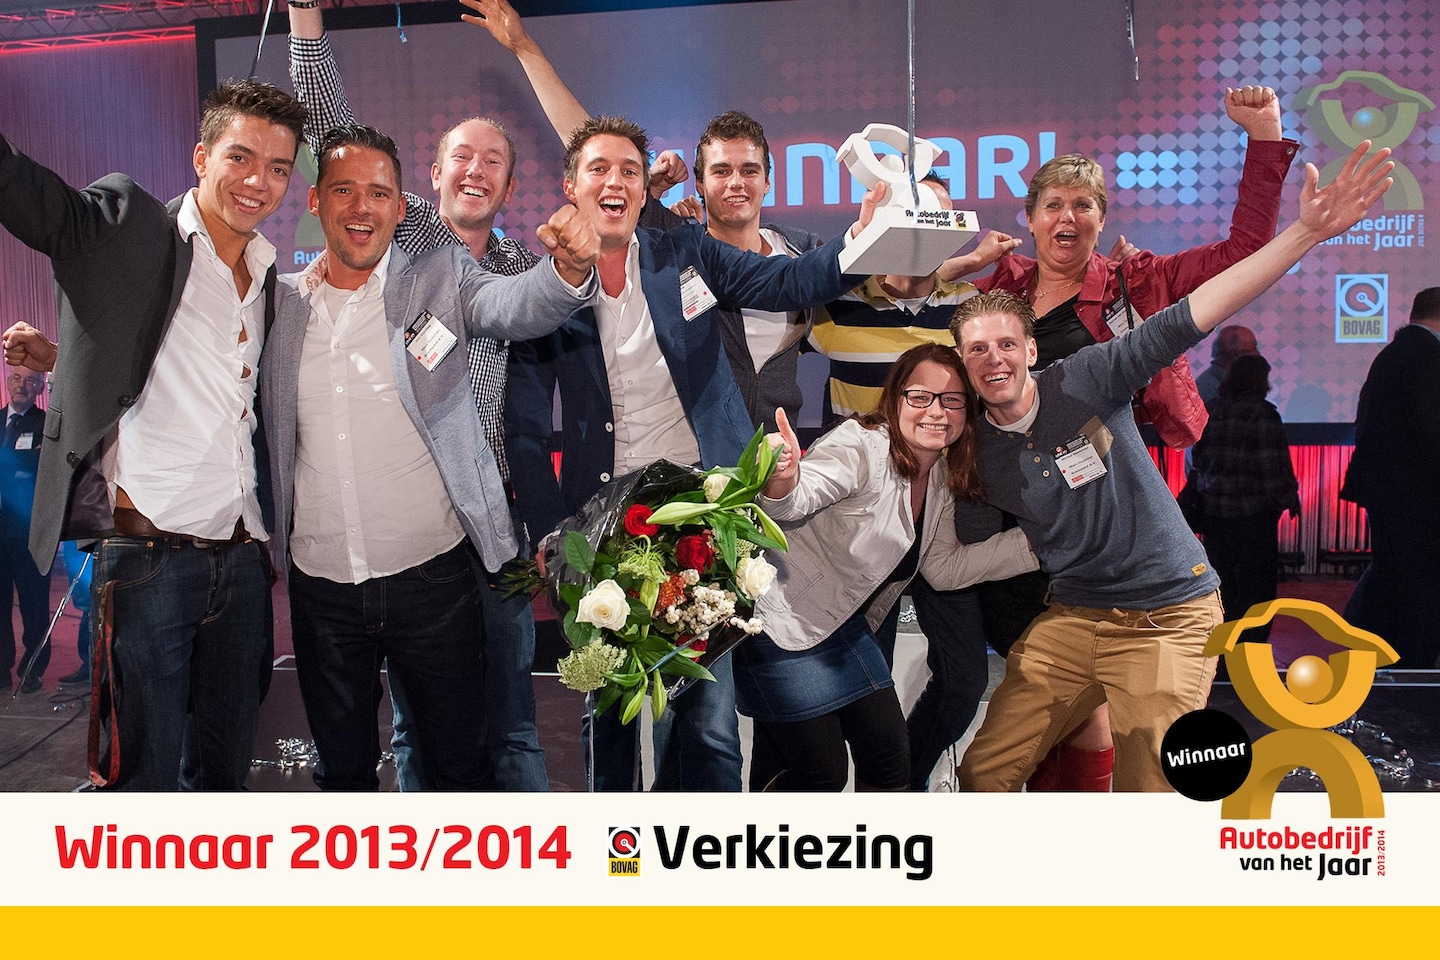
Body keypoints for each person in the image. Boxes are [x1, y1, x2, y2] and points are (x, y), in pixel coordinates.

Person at [950, 139, 1392, 791]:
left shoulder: (1090, 370)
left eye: (1008, 345)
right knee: (988, 768)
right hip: (1068, 599)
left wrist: (1303, 228)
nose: (995, 359)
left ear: (1032, 350)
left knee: (1149, 786)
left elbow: (1207, 302)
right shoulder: (976, 427)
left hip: (1159, 599)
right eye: (977, 350)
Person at [916, 85, 1298, 790]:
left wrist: (1265, 140)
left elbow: (1244, 255)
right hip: (1017, 511)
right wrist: (958, 266)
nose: (1068, 217)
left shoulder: (1137, 283)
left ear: (1101, 219)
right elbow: (911, 303)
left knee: (1106, 724)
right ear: (1030, 218)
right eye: (1053, 205)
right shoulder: (1001, 290)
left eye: (1083, 205)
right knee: (1030, 721)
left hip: (1102, 508)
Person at [505, 115, 878, 791]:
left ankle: (702, 855)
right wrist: (548, 530)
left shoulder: (682, 248)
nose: (615, 181)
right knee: (610, 713)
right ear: (570, 186)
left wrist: (859, 241)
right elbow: (526, 429)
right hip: (600, 523)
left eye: (629, 170)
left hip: (702, 509)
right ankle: (614, 854)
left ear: (642, 189)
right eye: (598, 169)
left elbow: (782, 283)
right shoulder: (546, 288)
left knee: (708, 720)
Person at [263, 123, 596, 790]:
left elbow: (512, 304)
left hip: (432, 579)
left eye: (379, 193)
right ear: (315, 201)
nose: (362, 207)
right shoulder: (280, 303)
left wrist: (566, 271)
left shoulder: (440, 279)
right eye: (344, 191)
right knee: (344, 776)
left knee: (459, 769)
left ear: (401, 206)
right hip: (321, 585)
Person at [0, 79, 307, 790]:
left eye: (278, 167)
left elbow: (159, 362)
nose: (258, 181)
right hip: (147, 561)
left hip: (243, 561)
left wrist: (60, 358)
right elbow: (32, 196)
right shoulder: (131, 226)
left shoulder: (270, 276)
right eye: (240, 157)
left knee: (224, 781)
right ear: (201, 158)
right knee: (141, 784)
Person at [287, 1, 552, 791]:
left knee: (508, 722)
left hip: (491, 528)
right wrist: (305, 23)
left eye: (493, 160)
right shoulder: (412, 240)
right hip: (410, 537)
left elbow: (591, 256)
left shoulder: (521, 270)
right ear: (428, 182)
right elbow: (334, 133)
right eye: (460, 156)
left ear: (510, 184)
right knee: (416, 728)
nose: (476, 169)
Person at [737, 345, 1037, 790]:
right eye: (920, 396)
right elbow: (799, 497)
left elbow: (943, 569)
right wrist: (783, 478)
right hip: (778, 622)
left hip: (843, 628)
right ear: (895, 399)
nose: (936, 411)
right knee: (821, 773)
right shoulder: (862, 444)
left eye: (952, 399)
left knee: (891, 763)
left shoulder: (940, 476)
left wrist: (1039, 541)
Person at [1341, 287, 1440, 669]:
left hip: (1389, 493)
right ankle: (1412, 675)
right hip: (1419, 497)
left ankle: (1389, 666)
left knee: (1393, 579)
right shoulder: (1429, 356)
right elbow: (1430, 430)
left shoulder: (1392, 354)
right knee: (1418, 589)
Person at [1191, 354, 1300, 641]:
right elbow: (1271, 468)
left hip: (1214, 514)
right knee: (1256, 593)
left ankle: (1221, 651)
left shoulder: (1212, 410)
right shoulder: (1263, 414)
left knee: (1222, 588)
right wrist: (1288, 498)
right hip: (1254, 518)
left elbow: (1198, 460)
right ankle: (1249, 651)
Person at [0, 364, 50, 693]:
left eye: (31, 380)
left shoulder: (46, 426)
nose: (22, 385)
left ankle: (32, 669)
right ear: (8, 381)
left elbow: (41, 468)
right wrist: (21, 464)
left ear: (40, 388)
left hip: (30, 531)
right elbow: (26, 464)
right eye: (17, 378)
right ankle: (0, 668)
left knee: (34, 605)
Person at [1194, 325, 1260, 405]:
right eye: (1252, 350)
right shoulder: (1206, 388)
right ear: (1235, 354)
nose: (1257, 354)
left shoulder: (1241, 381)